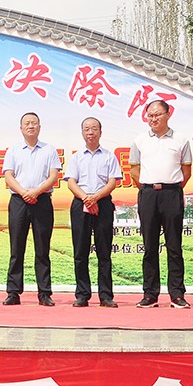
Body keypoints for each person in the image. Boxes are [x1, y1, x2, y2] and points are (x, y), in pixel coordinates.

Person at [129, 99, 193, 309]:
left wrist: (171, 187)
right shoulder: (140, 140)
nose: (153, 119)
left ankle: (177, 294)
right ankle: (150, 294)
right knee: (149, 247)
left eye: (157, 115)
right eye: (150, 115)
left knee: (174, 246)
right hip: (148, 194)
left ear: (168, 114)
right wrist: (147, 188)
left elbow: (186, 171)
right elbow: (134, 170)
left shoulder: (181, 139)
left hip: (172, 194)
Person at [2, 112, 61, 306]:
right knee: (16, 248)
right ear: (21, 128)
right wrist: (24, 192)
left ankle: (44, 293)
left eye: (34, 123)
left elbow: (53, 176)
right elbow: (8, 176)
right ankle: (13, 292)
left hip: (42, 200)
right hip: (18, 201)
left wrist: (35, 192)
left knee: (42, 249)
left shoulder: (49, 150)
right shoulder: (13, 150)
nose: (30, 126)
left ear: (39, 127)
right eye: (26, 123)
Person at [63, 117, 122, 308]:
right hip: (80, 203)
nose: (90, 132)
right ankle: (82, 295)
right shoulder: (76, 157)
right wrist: (87, 199)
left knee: (104, 251)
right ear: (82, 133)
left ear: (100, 132)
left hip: (102, 203)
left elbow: (112, 182)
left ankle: (106, 296)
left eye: (94, 129)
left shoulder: (109, 156)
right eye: (87, 129)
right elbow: (71, 182)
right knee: (80, 251)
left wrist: (95, 198)